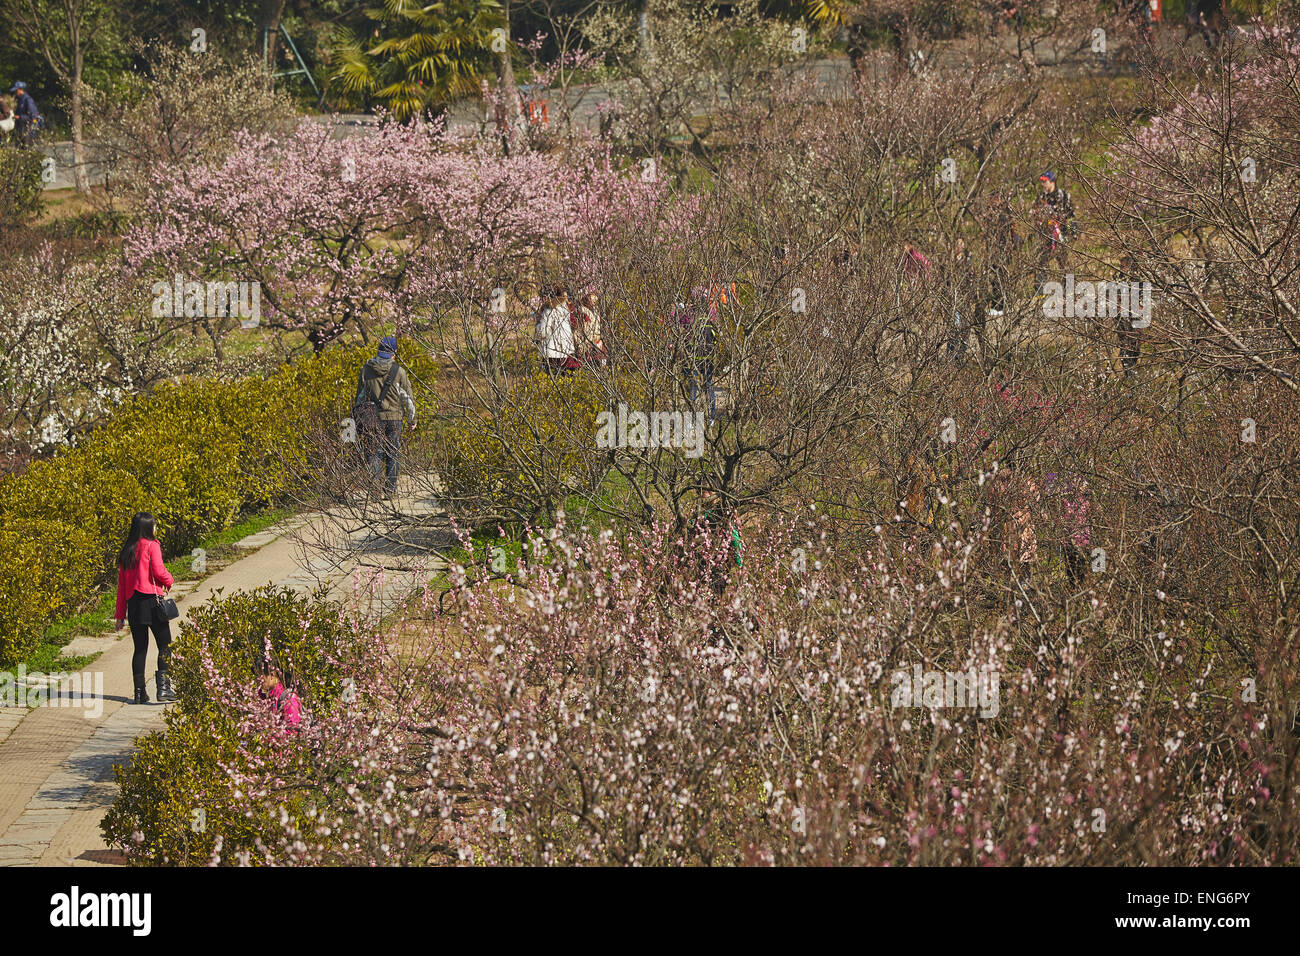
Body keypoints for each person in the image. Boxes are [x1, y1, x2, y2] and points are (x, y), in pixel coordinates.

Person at [114, 513, 175, 705]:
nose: (156, 528)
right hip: (152, 602)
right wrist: (169, 580)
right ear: (148, 527)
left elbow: (122, 587)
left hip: (134, 605)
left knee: (140, 649)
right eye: (154, 525)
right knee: (165, 644)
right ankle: (163, 688)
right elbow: (158, 570)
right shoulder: (152, 545)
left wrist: (119, 615)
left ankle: (140, 693)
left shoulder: (127, 551)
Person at [353, 336, 418, 498]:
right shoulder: (399, 372)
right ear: (394, 353)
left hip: (372, 418)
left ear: (379, 350)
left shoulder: (367, 369)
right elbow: (408, 399)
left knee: (374, 453)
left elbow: (360, 397)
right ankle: (390, 490)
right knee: (393, 453)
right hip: (394, 418)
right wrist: (412, 420)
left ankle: (374, 491)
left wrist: (355, 417)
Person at [682, 287, 718, 423]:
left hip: (694, 358)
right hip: (709, 357)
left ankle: (691, 421)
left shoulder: (690, 313)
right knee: (709, 387)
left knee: (693, 389)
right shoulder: (711, 312)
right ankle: (711, 418)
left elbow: (683, 329)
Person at [1033, 170, 1076, 278]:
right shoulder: (1041, 198)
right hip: (1046, 236)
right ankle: (1040, 291)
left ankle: (1069, 289)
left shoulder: (1063, 196)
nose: (1043, 184)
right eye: (1042, 182)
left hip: (1060, 236)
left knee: (1064, 264)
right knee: (1041, 263)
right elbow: (1035, 214)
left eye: (1045, 181)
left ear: (1053, 182)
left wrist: (1070, 233)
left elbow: (1071, 216)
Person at [536, 285, 579, 375]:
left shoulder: (548, 310)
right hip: (567, 350)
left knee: (553, 379)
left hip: (552, 353)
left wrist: (537, 326)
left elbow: (543, 331)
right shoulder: (565, 308)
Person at [258, 659, 302, 731]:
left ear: (272, 675)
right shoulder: (267, 697)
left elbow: (293, 730)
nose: (258, 680)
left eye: (260, 676)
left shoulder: (289, 699)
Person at [573, 288, 607, 368]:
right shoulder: (581, 312)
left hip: (598, 346)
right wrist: (581, 347)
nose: (595, 298)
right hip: (587, 348)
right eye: (592, 295)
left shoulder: (596, 311)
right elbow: (575, 331)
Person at [10, 82, 41, 147]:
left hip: (28, 130)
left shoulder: (28, 100)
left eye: (16, 91)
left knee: (26, 149)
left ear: (20, 89)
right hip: (20, 129)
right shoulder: (20, 100)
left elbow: (33, 116)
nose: (15, 93)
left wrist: (20, 117)